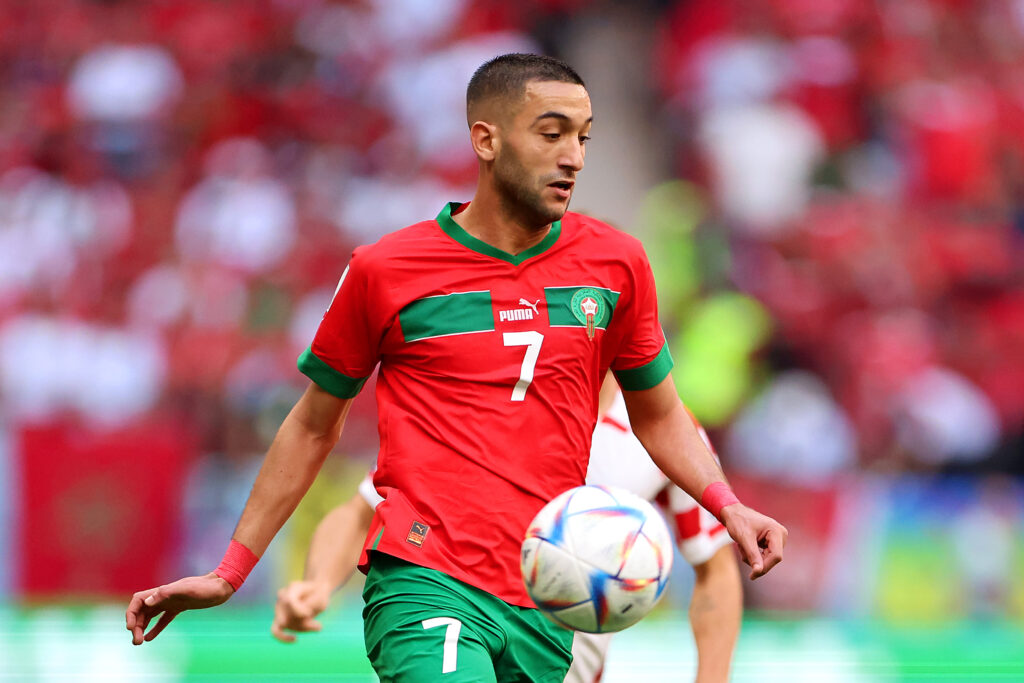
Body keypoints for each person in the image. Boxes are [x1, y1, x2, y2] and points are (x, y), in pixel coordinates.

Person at [126, 53, 785, 682]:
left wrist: (727, 505)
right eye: (551, 133)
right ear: (486, 140)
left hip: (543, 605)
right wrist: (231, 571)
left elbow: (660, 414)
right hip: (426, 577)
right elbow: (312, 425)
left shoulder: (617, 264)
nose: (573, 157)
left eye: (583, 137)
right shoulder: (387, 269)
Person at [272, 375, 742, 682]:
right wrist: (318, 584)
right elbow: (363, 509)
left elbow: (715, 568)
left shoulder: (668, 433)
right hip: (462, 634)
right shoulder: (492, 409)